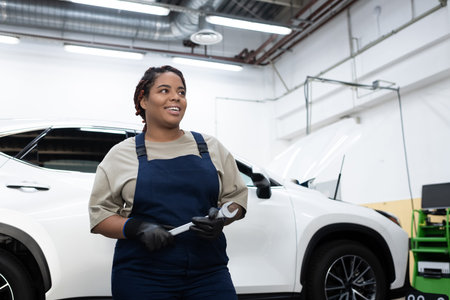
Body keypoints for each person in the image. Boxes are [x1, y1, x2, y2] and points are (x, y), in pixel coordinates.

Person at [88, 65, 248, 299]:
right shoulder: (122, 154)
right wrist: (136, 228)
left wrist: (223, 218)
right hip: (143, 276)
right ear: (143, 101)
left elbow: (237, 200)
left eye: (181, 92)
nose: (176, 97)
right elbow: (100, 216)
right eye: (164, 90)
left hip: (209, 274)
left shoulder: (209, 147)